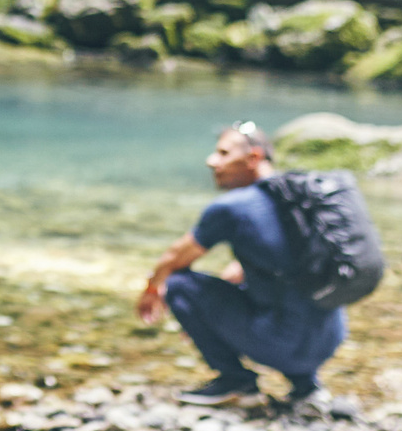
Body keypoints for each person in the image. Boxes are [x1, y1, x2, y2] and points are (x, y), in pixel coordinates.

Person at [137, 123, 347, 413]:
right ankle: (306, 386)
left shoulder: (233, 207)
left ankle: (237, 381)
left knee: (178, 284)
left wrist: (152, 288)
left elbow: (174, 259)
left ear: (253, 158)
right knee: (282, 292)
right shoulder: (300, 199)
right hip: (329, 341)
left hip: (279, 345)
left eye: (223, 153)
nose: (211, 161)